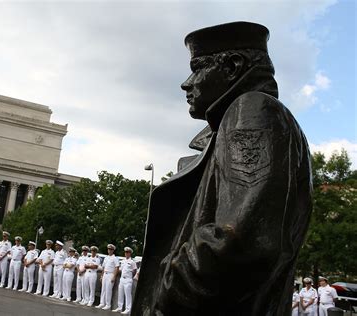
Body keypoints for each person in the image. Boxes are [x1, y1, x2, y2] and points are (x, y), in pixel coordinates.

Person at [132, 22, 313, 316]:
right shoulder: (246, 117)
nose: (187, 83)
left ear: (232, 66)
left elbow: (239, 239)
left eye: (198, 67)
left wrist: (165, 291)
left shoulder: (251, 111)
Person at [113, 247, 137, 315]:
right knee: (120, 293)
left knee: (128, 295)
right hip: (122, 279)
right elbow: (121, 269)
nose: (126, 253)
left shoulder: (132, 262)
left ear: (130, 253)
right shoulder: (123, 261)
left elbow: (134, 271)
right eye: (125, 252)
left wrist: (130, 276)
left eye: (128, 252)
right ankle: (120, 307)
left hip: (128, 279)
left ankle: (128, 309)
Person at [96, 244, 120, 311]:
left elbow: (117, 268)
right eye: (108, 249)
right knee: (103, 289)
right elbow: (103, 268)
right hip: (105, 274)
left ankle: (108, 304)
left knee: (108, 290)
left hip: (110, 274)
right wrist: (101, 276)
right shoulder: (106, 258)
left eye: (111, 249)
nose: (109, 250)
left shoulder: (115, 258)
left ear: (113, 250)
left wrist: (114, 277)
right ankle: (102, 303)